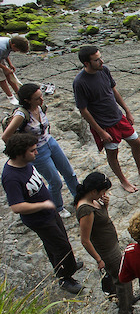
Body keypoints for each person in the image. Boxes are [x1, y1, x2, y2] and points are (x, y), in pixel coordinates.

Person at [1, 133, 84, 294]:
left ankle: (68, 263)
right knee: (61, 246)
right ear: (20, 153)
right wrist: (42, 204)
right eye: (32, 151)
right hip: (39, 219)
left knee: (59, 241)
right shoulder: (11, 177)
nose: (36, 153)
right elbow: (16, 206)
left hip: (48, 212)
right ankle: (64, 277)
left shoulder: (26, 163)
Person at [73, 45, 140, 194]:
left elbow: (113, 90)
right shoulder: (80, 82)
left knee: (136, 142)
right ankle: (123, 181)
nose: (101, 61)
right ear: (86, 63)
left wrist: (127, 111)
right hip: (104, 124)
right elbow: (84, 111)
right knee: (113, 153)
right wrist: (100, 132)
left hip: (118, 117)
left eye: (100, 57)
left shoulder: (104, 70)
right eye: (96, 60)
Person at [75, 172, 140, 314]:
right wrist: (99, 259)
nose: (104, 194)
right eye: (102, 191)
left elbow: (102, 220)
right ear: (94, 191)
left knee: (121, 276)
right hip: (106, 251)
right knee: (123, 278)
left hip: (111, 245)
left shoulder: (93, 201)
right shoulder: (86, 210)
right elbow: (85, 240)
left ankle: (126, 297)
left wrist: (105, 205)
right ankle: (125, 313)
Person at [2, 83, 79, 218]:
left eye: (41, 97)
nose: (41, 100)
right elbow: (6, 136)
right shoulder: (21, 115)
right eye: (37, 98)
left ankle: (79, 198)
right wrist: (22, 152)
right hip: (37, 150)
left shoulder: (41, 107)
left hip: (50, 142)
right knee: (55, 181)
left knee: (69, 172)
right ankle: (57, 208)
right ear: (27, 100)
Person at [0, 35, 29, 105]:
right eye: (17, 50)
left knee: (9, 74)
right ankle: (11, 97)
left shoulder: (10, 41)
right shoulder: (2, 47)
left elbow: (5, 55)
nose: (16, 51)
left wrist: (10, 65)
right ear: (13, 45)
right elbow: (3, 51)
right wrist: (5, 68)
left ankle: (19, 93)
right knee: (1, 78)